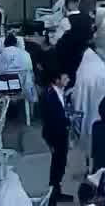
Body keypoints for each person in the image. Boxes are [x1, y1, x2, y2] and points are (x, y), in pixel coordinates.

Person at [41, 67, 72, 202]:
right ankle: (53, 195)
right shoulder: (50, 96)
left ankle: (56, 190)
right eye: (65, 78)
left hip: (60, 133)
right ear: (57, 80)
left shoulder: (57, 92)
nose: (68, 80)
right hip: (56, 135)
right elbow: (53, 119)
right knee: (57, 165)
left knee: (60, 164)